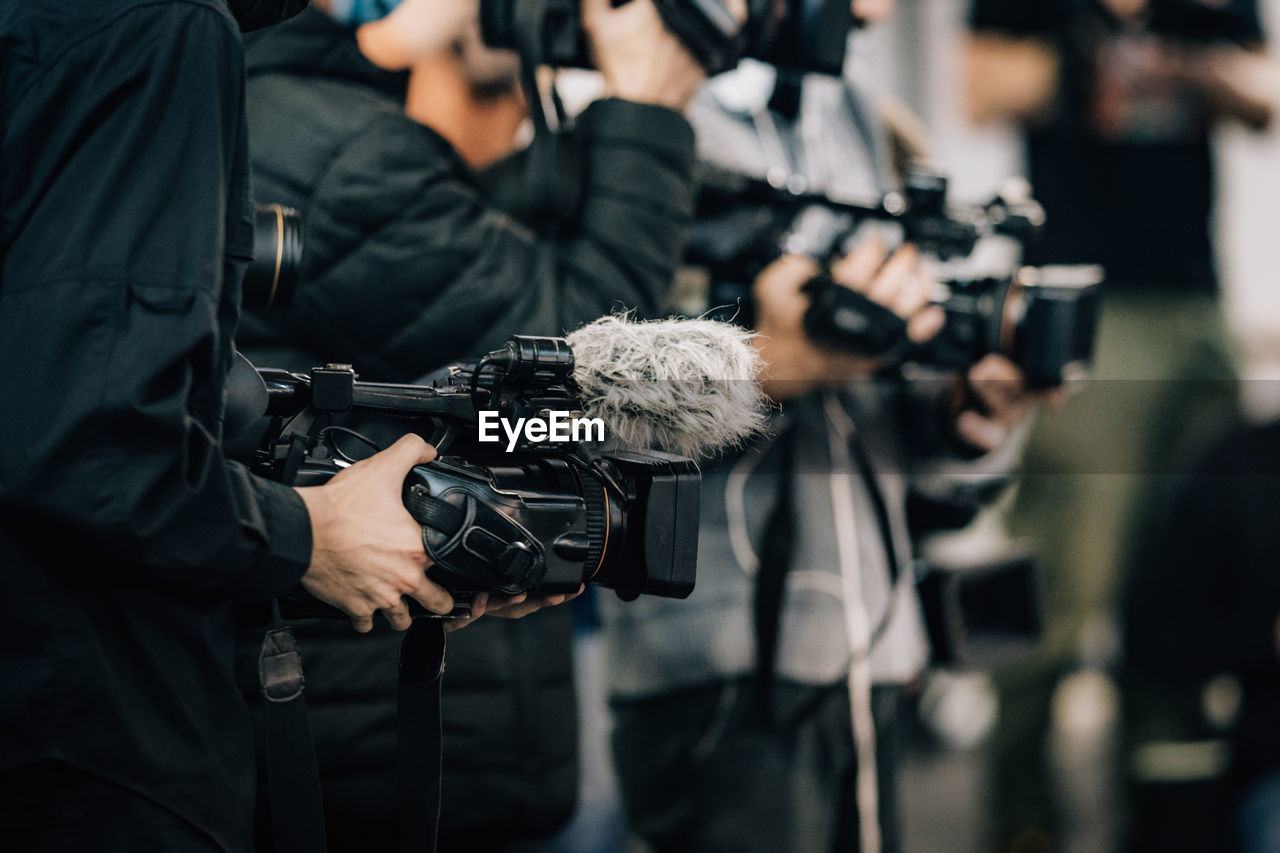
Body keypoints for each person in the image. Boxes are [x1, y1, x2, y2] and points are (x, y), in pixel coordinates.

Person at [0, 1, 499, 850]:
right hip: (88, 758)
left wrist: (325, 551)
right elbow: (96, 449)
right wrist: (311, 535)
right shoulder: (159, 22)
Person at [234, 1, 707, 849]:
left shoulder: (311, 112)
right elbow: (577, 367)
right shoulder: (341, 149)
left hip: (423, 725)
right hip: (372, 744)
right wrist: (648, 109)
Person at [601, 3, 1046, 851]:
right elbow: (566, 402)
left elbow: (880, 395)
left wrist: (967, 417)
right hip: (718, 662)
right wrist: (771, 363)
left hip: (867, 644)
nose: (878, 11)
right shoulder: (634, 103)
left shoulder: (855, 112)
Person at [963, 2, 1276, 847]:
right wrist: (1082, 65)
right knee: (1066, 585)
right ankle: (1020, 812)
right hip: (1088, 314)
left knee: (1192, 574)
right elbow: (980, 87)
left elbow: (1265, 94)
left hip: (1197, 308)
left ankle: (1166, 809)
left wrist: (1184, 70)